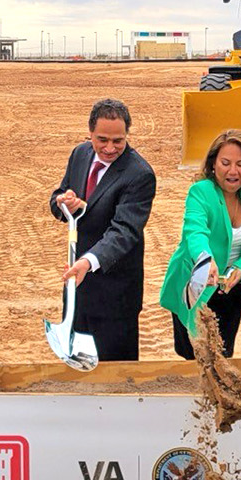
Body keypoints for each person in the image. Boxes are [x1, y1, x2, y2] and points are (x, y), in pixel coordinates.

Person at [49, 98, 156, 361]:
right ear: (90, 133)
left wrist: (88, 261)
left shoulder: (139, 174)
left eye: (118, 141)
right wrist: (63, 202)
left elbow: (124, 231)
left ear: (127, 135)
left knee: (116, 375)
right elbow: (60, 194)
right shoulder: (80, 154)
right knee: (77, 366)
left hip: (115, 294)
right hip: (79, 287)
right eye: (102, 140)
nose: (109, 148)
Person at [159, 129, 241, 359]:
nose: (233, 171)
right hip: (195, 281)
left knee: (223, 355)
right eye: (225, 163)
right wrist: (205, 260)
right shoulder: (200, 192)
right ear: (213, 165)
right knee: (193, 356)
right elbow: (195, 231)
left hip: (232, 286)